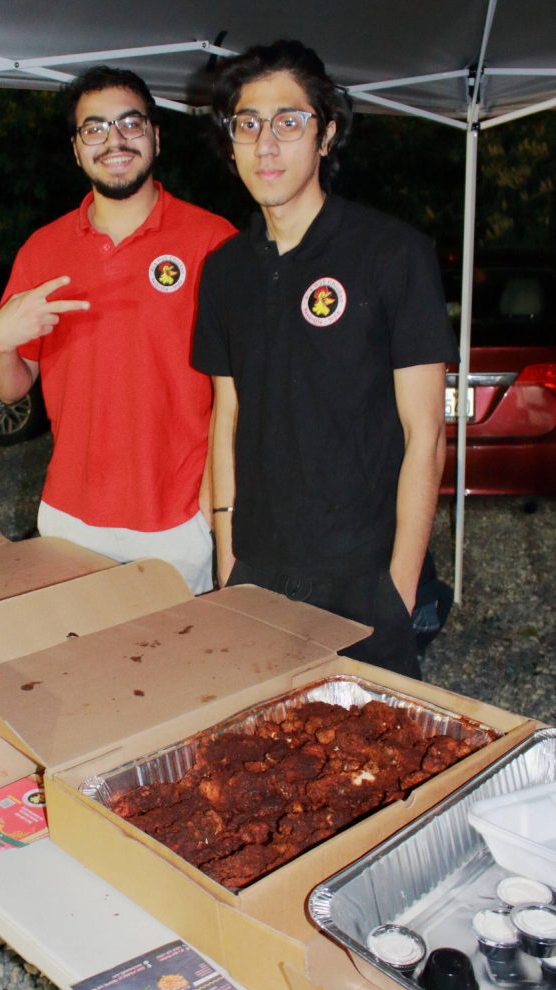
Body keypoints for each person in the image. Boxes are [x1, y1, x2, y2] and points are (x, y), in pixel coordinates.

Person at [193, 40, 458, 676]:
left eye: (290, 121)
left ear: (327, 134)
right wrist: (228, 557)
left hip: (362, 576)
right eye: (248, 125)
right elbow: (225, 417)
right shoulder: (225, 269)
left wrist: (398, 582)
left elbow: (428, 433)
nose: (267, 144)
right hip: (257, 570)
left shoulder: (393, 254)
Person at [0, 66, 235, 594]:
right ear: (77, 149)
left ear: (156, 136)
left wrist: (210, 509)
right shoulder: (43, 250)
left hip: (176, 521)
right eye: (94, 128)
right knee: (73, 670)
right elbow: (11, 387)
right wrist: (2, 343)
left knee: (176, 671)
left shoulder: (213, 242)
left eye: (130, 123)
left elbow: (240, 394)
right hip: (69, 518)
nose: (114, 140)